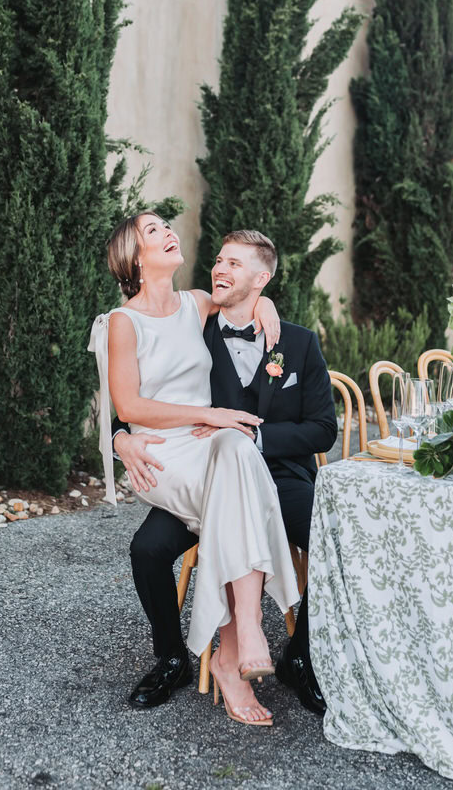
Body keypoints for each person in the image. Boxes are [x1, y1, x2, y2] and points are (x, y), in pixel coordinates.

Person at [114, 229, 337, 716]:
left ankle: (300, 657)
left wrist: (260, 439)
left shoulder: (298, 343)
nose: (219, 268)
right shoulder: (191, 329)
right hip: (204, 472)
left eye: (235, 264)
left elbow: (324, 430)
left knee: (337, 540)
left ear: (262, 278)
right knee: (146, 549)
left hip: (279, 477)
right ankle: (172, 657)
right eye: (218, 259)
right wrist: (121, 438)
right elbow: (135, 399)